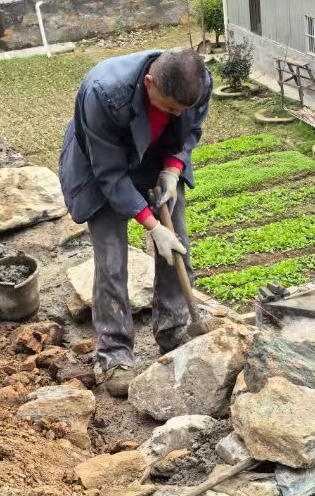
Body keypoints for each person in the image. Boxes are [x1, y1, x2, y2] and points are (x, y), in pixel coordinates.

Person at [59, 48, 212, 396]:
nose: (178, 114)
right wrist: (151, 226)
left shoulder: (197, 83)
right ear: (149, 83)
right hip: (101, 164)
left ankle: (174, 330)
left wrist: (173, 168)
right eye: (170, 108)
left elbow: (190, 130)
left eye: (183, 108)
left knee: (176, 246)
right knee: (112, 260)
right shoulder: (103, 93)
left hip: (157, 158)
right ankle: (114, 354)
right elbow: (109, 173)